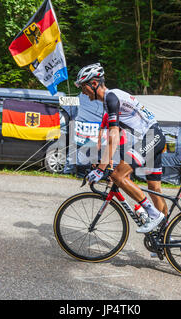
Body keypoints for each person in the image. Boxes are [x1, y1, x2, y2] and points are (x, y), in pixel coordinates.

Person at [75, 63, 167, 233]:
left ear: (94, 84)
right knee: (155, 189)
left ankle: (154, 215)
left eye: (83, 87)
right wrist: (105, 162)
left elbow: (114, 137)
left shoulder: (111, 98)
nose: (83, 92)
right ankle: (164, 235)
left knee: (118, 175)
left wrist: (100, 169)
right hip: (154, 136)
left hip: (150, 137)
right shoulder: (111, 99)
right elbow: (111, 138)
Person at [97, 111, 168, 217]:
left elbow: (112, 139)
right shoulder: (112, 113)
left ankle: (159, 220)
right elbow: (103, 135)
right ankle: (164, 228)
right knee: (154, 188)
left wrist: (102, 165)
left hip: (145, 142)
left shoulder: (113, 113)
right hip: (148, 141)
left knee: (119, 175)